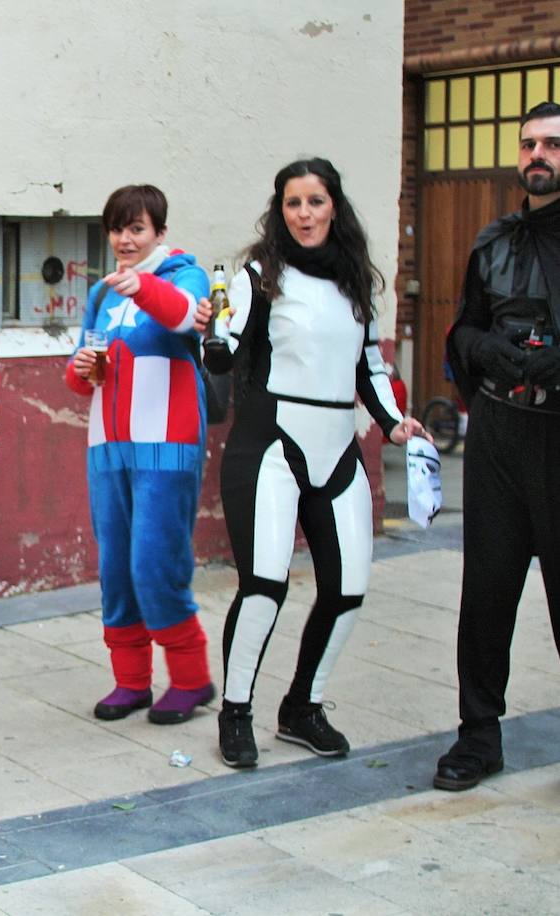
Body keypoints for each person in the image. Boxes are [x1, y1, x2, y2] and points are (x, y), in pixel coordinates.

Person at [205, 158, 426, 769]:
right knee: (265, 586)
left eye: (316, 201)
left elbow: (370, 369)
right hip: (269, 447)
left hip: (338, 447)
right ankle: (237, 710)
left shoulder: (358, 282)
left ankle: (304, 705)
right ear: (280, 210)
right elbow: (224, 349)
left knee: (349, 588)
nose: (304, 214)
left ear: (335, 206)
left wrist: (392, 422)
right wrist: (212, 337)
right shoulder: (258, 275)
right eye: (293, 203)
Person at [436, 102, 560, 792]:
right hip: (498, 435)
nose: (536, 154)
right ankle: (478, 737)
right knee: (486, 593)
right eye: (529, 143)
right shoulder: (494, 241)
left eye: (551, 144)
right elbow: (462, 334)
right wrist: (493, 350)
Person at [63, 185, 216, 727]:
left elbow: (181, 318)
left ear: (159, 234)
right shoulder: (103, 295)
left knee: (155, 563)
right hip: (108, 449)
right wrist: (81, 369)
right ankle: (131, 682)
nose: (125, 240)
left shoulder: (183, 274)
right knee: (116, 569)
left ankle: (193, 679)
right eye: (118, 229)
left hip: (167, 448)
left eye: (137, 229)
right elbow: (83, 376)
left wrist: (143, 285)